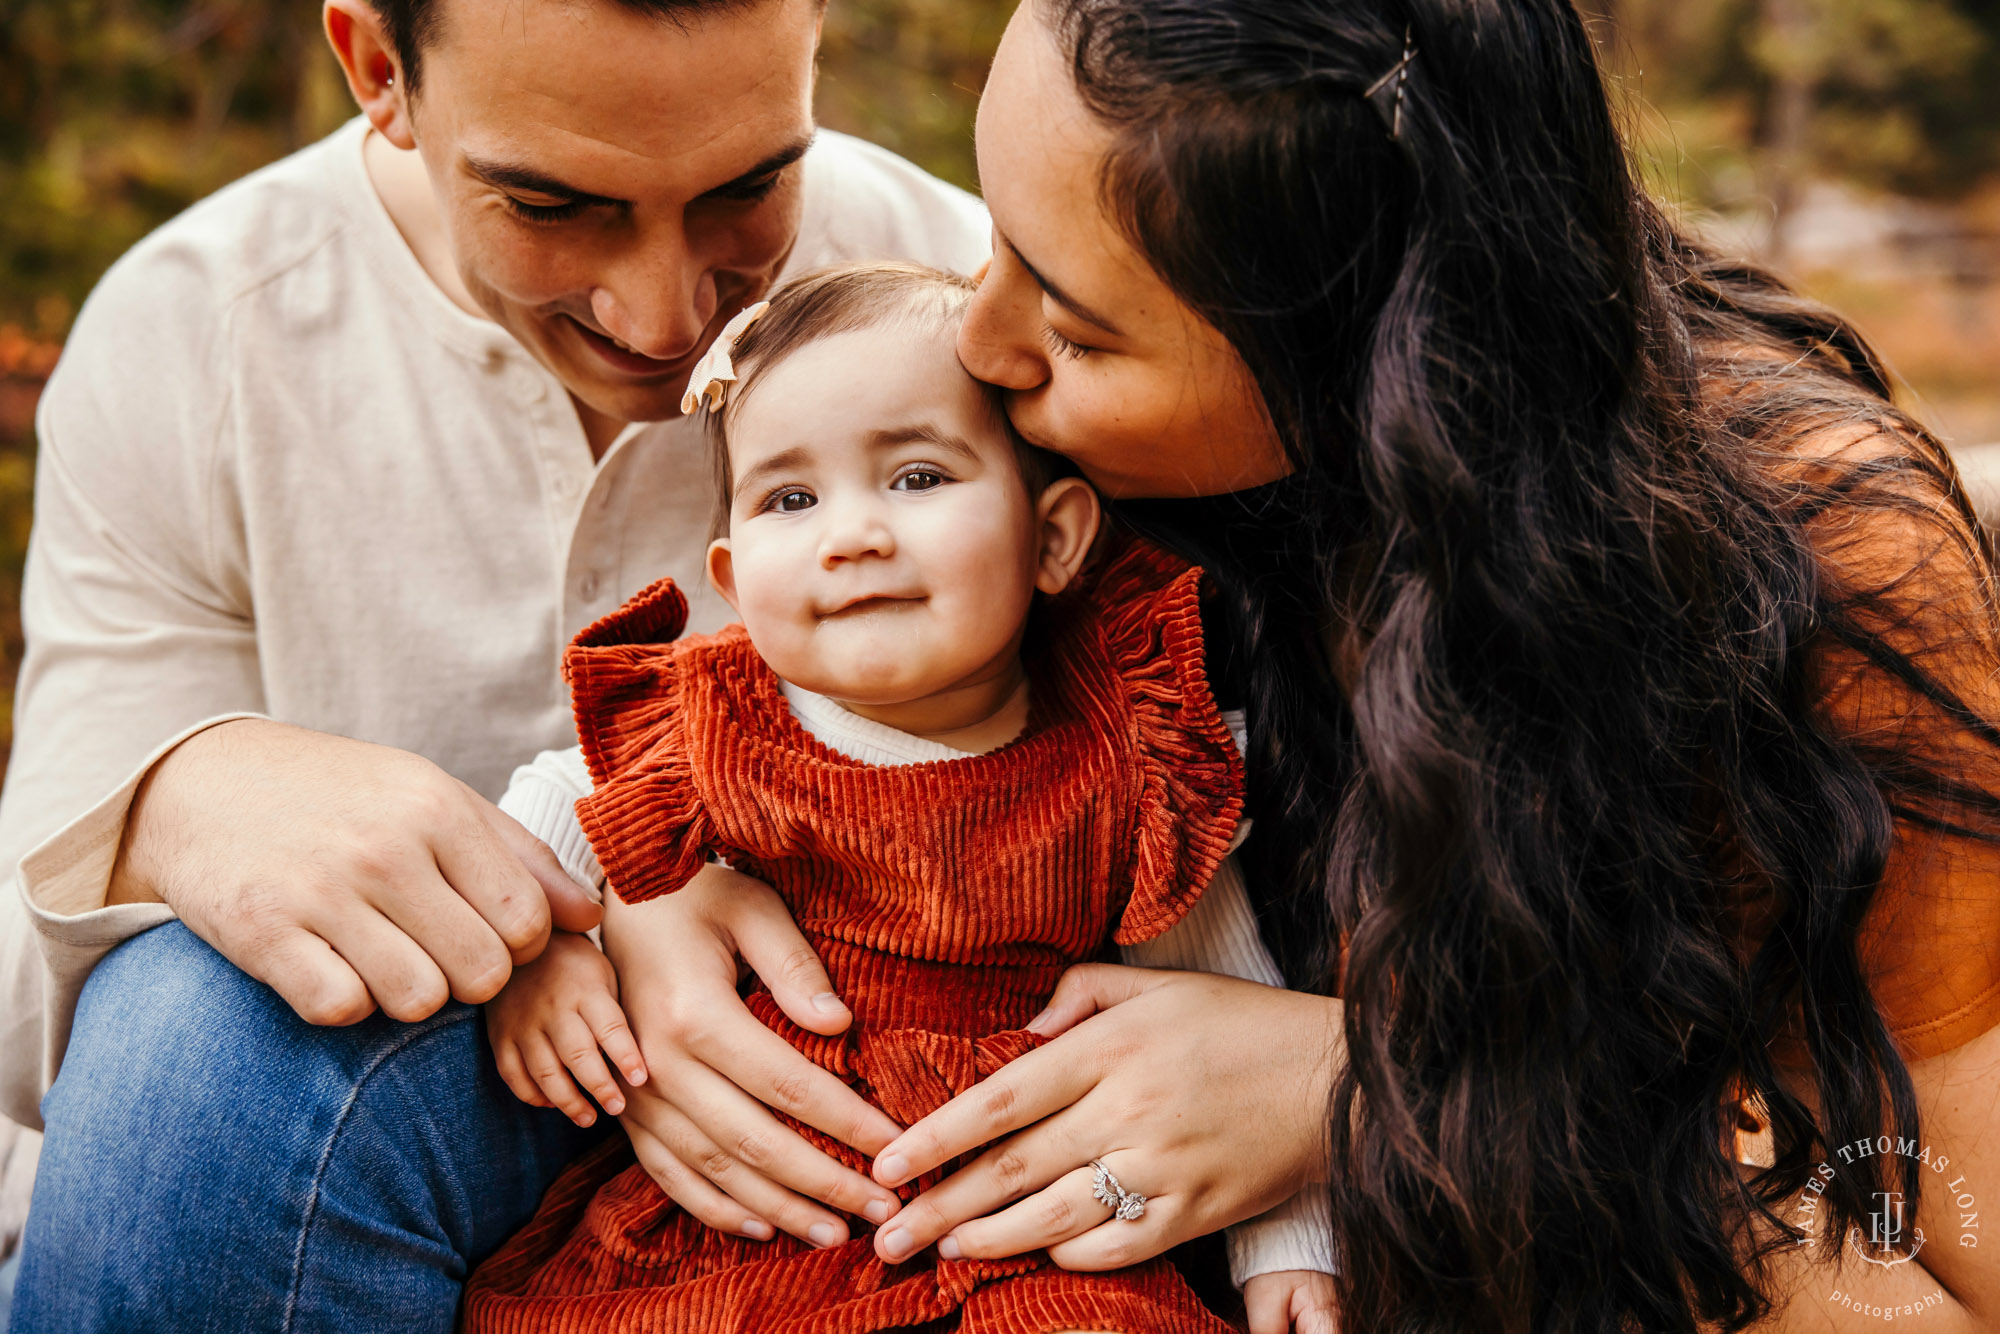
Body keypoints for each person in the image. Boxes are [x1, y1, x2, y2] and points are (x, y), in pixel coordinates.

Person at [600, 1, 2000, 1330]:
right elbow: (823, 712)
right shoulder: (1108, 480)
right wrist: (649, 908)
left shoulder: (1815, 565)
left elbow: (1943, 1264)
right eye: (996, 243)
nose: (984, 341)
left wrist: (1368, 1086)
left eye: (1076, 325)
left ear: (1360, 361)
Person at [2, 0, 989, 1326]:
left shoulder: (971, 294)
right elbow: (31, 1025)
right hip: (286, 1197)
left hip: (843, 1176)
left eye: (749, 189)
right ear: (377, 69)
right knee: (191, 1034)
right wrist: (182, 803)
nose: (666, 315)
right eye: (552, 206)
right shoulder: (196, 336)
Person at [460, 261, 1335, 1331]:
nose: (852, 533)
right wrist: (535, 951)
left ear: (1052, 537)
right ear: (734, 581)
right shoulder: (716, 717)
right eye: (791, 497)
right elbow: (553, 805)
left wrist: (1288, 1242)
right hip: (756, 1215)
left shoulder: (1121, 749)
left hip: (1023, 1231)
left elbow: (1217, 1012)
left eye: (916, 477)